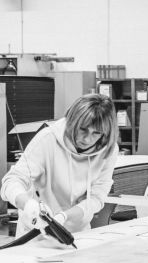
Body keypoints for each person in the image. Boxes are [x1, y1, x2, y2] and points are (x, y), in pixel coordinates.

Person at [1, 94, 119, 237]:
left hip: (78, 234)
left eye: (96, 133)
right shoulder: (47, 139)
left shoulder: (108, 150)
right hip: (35, 232)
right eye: (83, 129)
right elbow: (11, 181)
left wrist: (64, 216)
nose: (87, 139)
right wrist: (28, 205)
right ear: (72, 122)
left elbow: (96, 197)